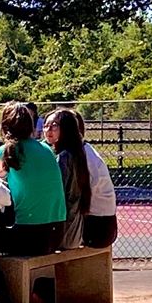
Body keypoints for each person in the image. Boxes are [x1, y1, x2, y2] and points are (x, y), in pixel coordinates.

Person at [0, 100, 67, 256]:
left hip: (30, 236)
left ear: (5, 127)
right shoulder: (46, 149)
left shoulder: (8, 151)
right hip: (57, 234)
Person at [47, 107, 115, 249]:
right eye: (46, 126)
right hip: (106, 226)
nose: (48, 130)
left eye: (54, 126)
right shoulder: (84, 149)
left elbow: (63, 197)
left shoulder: (69, 156)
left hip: (95, 228)